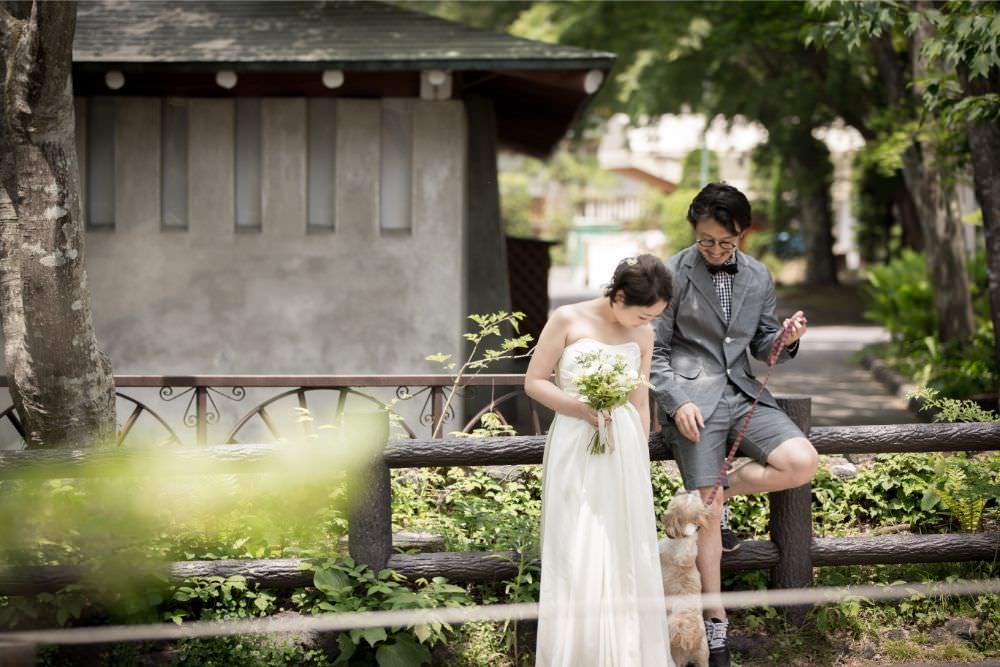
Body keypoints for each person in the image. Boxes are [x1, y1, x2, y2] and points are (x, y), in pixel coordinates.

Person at [649, 183, 818, 667]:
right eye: (707, 241)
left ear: (743, 233)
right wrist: (676, 401)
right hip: (692, 403)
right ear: (694, 231)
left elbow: (765, 346)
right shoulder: (672, 273)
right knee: (707, 507)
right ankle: (715, 621)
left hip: (744, 391)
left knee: (800, 462)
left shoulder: (759, 276)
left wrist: (786, 338)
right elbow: (654, 352)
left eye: (727, 242)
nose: (717, 250)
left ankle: (717, 502)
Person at [527, 254, 674, 667]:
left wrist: (640, 458)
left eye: (654, 316)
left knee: (625, 545)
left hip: (622, 446)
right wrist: (581, 410)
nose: (645, 322)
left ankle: (628, 653)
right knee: (577, 541)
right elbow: (534, 382)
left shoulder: (643, 335)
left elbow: (640, 400)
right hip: (576, 441)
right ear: (619, 295)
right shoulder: (567, 319)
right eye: (642, 313)